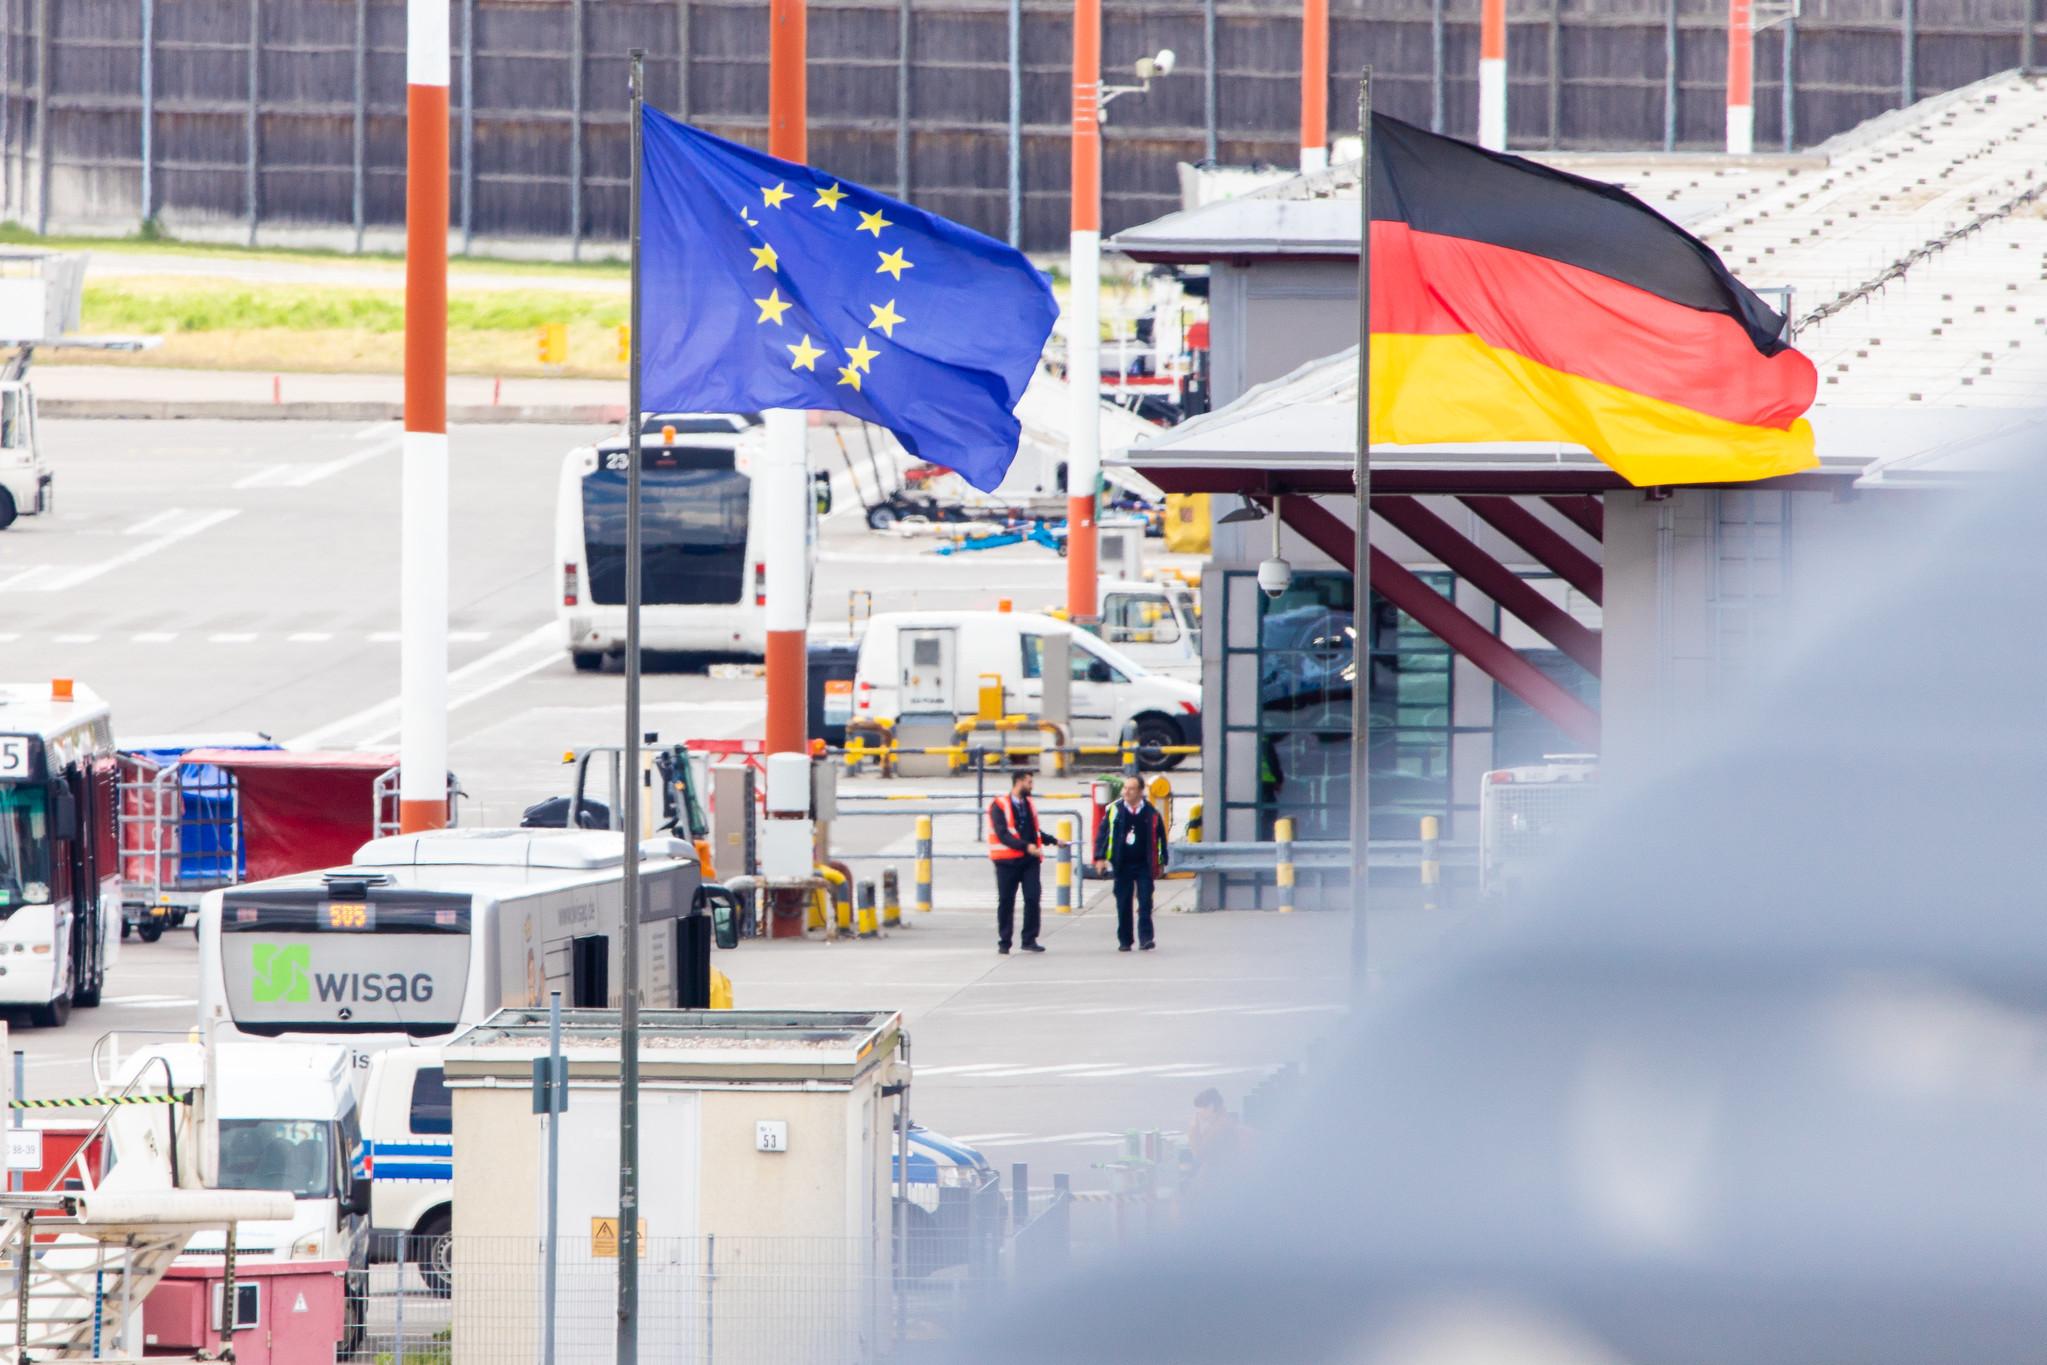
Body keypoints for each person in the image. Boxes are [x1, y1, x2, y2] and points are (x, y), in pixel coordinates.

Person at [1093, 774, 1168, 952]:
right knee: (1123, 902)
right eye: (1125, 788)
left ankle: (1146, 938)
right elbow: (1103, 834)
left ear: (1140, 792)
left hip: (1143, 864)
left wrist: (1162, 860)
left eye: (1131, 789)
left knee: (1145, 901)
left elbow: (1160, 838)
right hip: (1123, 863)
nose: (1126, 791)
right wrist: (1100, 858)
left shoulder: (1151, 812)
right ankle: (1125, 940)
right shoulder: (1115, 810)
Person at [988, 769, 1057, 955]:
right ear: (1018, 782)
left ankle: (1029, 938)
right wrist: (1026, 846)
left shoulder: (1029, 804)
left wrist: (1054, 841)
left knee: (1033, 898)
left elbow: (1035, 831)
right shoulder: (999, 805)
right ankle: (1004, 941)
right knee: (1006, 901)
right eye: (1029, 782)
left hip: (1029, 861)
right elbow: (1003, 834)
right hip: (1006, 862)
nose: (1031, 786)